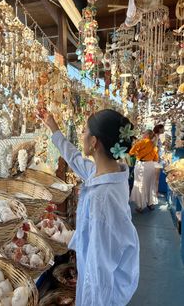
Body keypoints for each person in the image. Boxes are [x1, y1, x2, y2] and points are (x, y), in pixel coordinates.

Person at [41, 109, 139, 306]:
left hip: (103, 293)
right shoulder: (109, 173)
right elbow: (75, 159)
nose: (81, 134)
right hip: (117, 277)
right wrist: (53, 127)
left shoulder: (101, 197)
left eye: (84, 131)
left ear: (94, 142)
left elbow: (99, 270)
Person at [129, 130, 159, 212]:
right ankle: (150, 203)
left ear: (147, 135)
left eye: (144, 133)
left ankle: (140, 206)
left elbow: (131, 152)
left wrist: (138, 153)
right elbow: (156, 158)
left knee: (140, 184)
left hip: (141, 165)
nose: (142, 134)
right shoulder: (154, 145)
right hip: (150, 165)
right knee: (150, 184)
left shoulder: (141, 142)